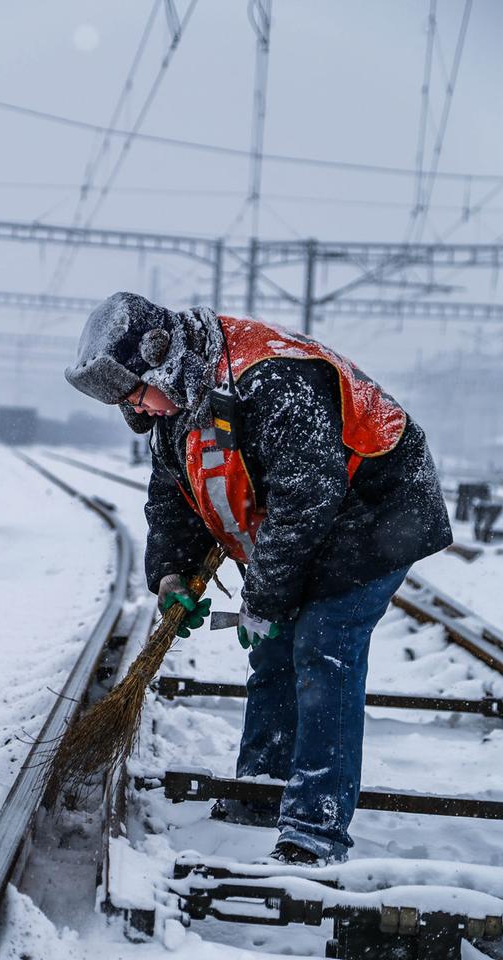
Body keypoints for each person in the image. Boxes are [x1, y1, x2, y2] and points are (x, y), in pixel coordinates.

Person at [65, 291, 452, 864]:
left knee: (324, 646)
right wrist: (171, 573)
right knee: (274, 649)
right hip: (316, 517)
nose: (139, 411)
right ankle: (260, 794)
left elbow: (305, 499)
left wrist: (265, 596)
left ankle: (314, 829)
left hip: (375, 511)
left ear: (160, 355)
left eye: (136, 394)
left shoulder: (271, 379)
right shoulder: (180, 399)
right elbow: (174, 495)